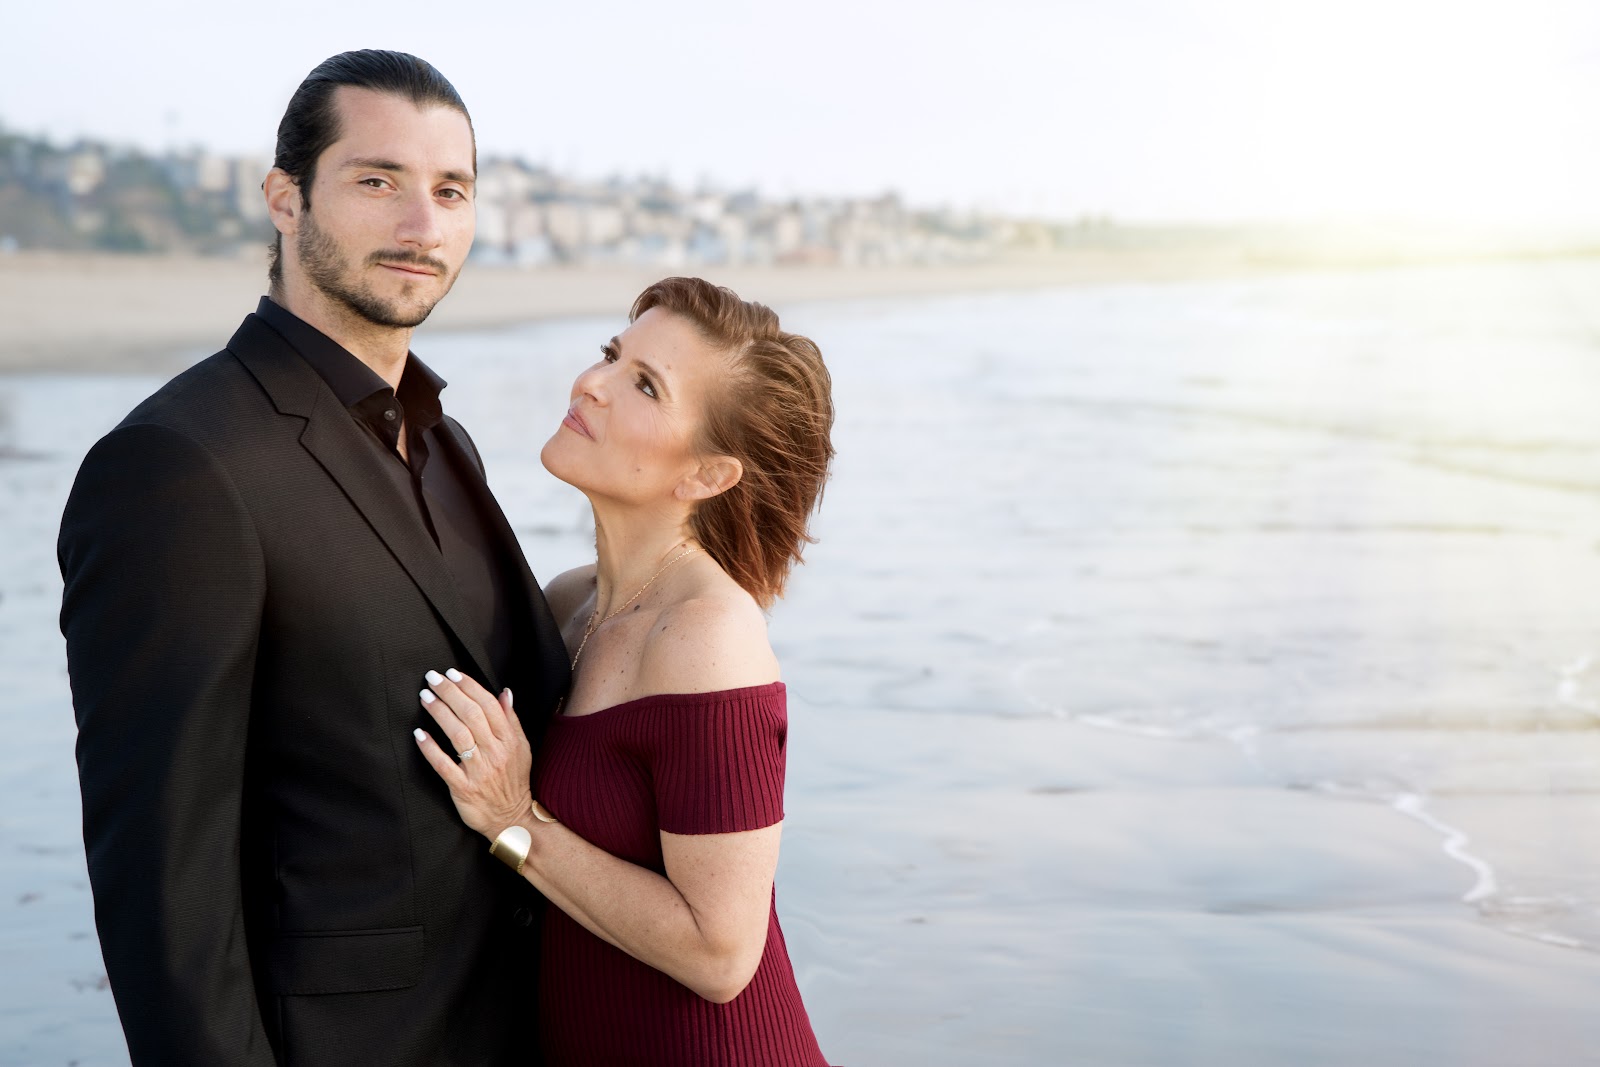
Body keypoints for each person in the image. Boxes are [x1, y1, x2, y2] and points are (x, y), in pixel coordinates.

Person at [57, 50, 568, 1066]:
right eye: (377, 181)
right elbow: (164, 887)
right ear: (284, 198)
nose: (422, 226)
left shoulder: (443, 439)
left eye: (449, 190)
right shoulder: (178, 465)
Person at [411, 276, 835, 1065]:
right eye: (612, 353)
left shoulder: (709, 635)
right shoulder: (570, 602)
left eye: (643, 384)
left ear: (707, 474)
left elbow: (721, 954)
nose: (591, 384)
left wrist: (517, 823)